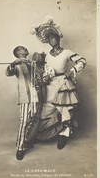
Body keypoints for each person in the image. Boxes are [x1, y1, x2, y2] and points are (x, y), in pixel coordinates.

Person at [31, 17, 87, 149]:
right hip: (50, 85)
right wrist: (44, 77)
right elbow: (46, 70)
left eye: (53, 38)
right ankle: (45, 135)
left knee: (64, 108)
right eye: (49, 39)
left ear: (58, 38)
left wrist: (72, 70)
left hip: (63, 84)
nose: (52, 41)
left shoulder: (67, 52)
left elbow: (82, 61)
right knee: (47, 108)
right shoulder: (47, 56)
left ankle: (63, 135)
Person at [5, 46, 39, 160]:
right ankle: (20, 148)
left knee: (34, 118)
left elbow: (39, 76)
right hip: (25, 96)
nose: (26, 48)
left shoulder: (32, 63)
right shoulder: (16, 65)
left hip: (36, 96)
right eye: (23, 48)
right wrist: (14, 63)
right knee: (23, 121)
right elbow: (8, 72)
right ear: (19, 53)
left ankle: (24, 140)